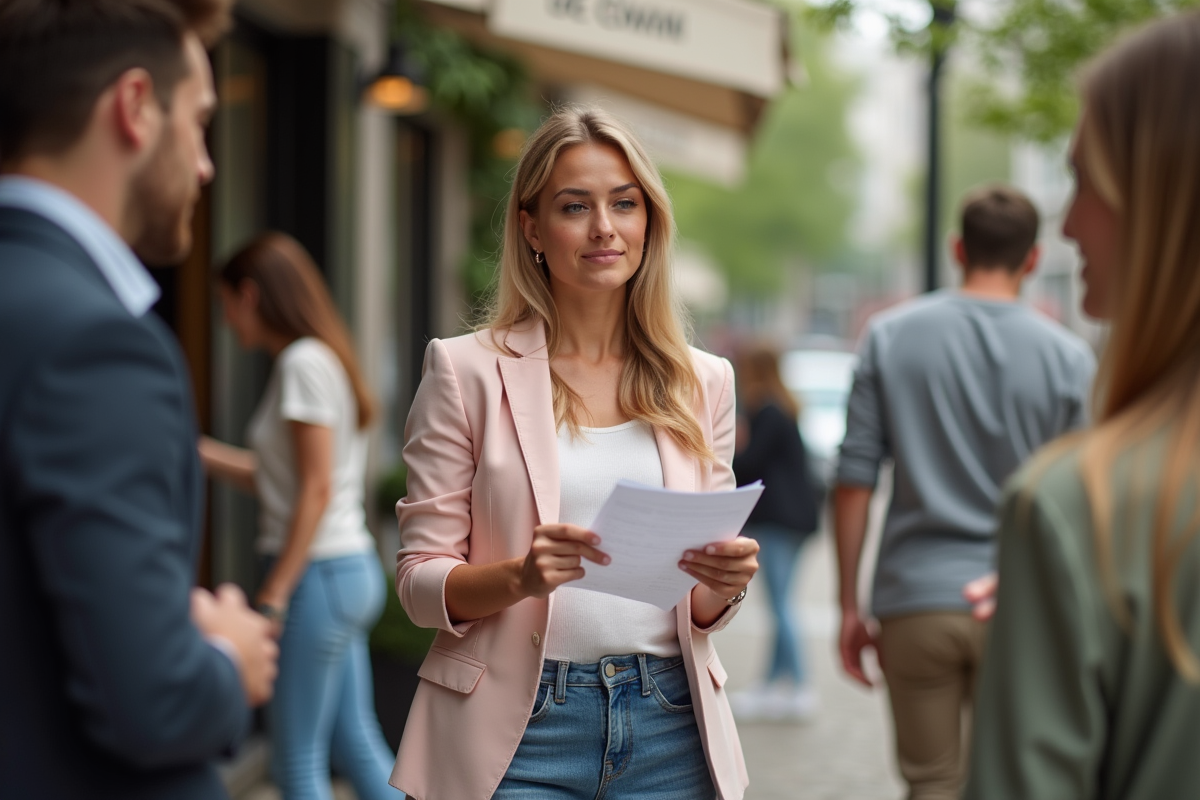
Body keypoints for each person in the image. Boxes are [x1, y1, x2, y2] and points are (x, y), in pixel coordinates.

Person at [389, 106, 758, 800]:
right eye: (574, 206)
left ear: (650, 221)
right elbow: (416, 582)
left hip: (669, 723)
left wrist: (725, 578)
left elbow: (697, 606)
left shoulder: (702, 381)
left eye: (624, 203)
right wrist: (520, 578)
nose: (604, 228)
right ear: (531, 227)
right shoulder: (465, 370)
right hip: (516, 729)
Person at [0, 2, 279, 798]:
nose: (206, 166)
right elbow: (156, 706)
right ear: (133, 108)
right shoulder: (96, 345)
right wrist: (225, 658)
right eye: (198, 123)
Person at [964, 12, 1200, 798]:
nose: (1068, 223)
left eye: (1085, 179)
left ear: (1161, 197)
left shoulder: (1080, 506)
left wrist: (1072, 586)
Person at [833, 185, 1096, 800]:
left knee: (933, 783)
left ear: (957, 248)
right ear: (1033, 259)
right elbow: (1086, 494)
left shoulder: (889, 336)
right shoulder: (1070, 357)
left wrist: (849, 603)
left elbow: (854, 480)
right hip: (1023, 601)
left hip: (914, 599)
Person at [199, 233, 398, 800]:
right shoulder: (319, 358)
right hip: (344, 571)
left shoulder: (301, 363)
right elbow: (279, 477)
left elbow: (314, 489)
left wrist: (276, 592)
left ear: (250, 295)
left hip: (318, 577)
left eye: (224, 305)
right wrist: (197, 451)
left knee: (296, 762)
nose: (225, 320)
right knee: (355, 744)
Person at [728, 344, 822, 722]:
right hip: (796, 518)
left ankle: (799, 685)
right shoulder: (785, 407)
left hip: (777, 520)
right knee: (781, 603)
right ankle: (771, 684)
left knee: (781, 606)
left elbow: (749, 465)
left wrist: (731, 445)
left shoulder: (766, 410)